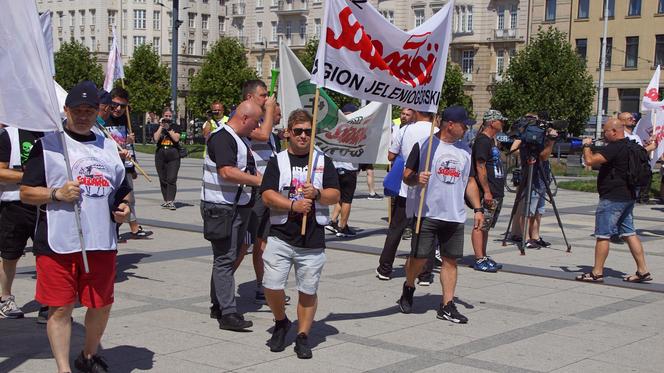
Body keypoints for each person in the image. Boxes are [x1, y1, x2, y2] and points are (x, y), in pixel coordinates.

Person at [20, 81, 131, 373]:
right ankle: (62, 368)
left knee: (101, 304)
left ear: (98, 112)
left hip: (100, 240)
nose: (83, 115)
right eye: (77, 110)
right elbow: (26, 192)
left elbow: (120, 190)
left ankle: (88, 355)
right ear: (66, 110)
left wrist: (124, 209)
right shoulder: (48, 146)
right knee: (60, 307)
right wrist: (55, 194)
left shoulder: (109, 147)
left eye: (89, 110)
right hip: (58, 240)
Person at [260, 109, 340, 358]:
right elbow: (267, 194)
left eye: (308, 131)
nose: (303, 136)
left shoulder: (322, 161)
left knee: (307, 289)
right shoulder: (278, 160)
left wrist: (317, 194)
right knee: (271, 284)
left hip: (312, 237)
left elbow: (335, 195)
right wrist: (292, 205)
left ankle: (303, 335)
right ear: (289, 133)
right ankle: (281, 321)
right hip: (281, 233)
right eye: (298, 131)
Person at [397, 106, 483, 324]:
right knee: (419, 258)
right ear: (450, 125)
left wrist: (478, 208)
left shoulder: (465, 150)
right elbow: (406, 175)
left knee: (450, 260)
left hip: (454, 215)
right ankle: (409, 285)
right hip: (427, 213)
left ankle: (447, 304)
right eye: (464, 125)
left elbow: (469, 181)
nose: (467, 129)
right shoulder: (425, 144)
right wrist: (417, 179)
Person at [202, 100, 262, 331]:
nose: (256, 128)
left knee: (227, 257)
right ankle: (227, 313)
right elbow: (227, 172)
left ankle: (218, 304)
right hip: (221, 208)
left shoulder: (239, 139)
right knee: (225, 259)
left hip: (237, 205)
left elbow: (245, 168)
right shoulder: (222, 137)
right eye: (255, 122)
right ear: (245, 118)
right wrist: (259, 181)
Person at [577, 118, 652, 283]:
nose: (604, 134)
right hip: (629, 196)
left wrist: (586, 146)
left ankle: (597, 272)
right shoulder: (633, 145)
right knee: (629, 232)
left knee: (603, 235)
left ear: (614, 131)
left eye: (605, 131)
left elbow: (589, 161)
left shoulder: (615, 147)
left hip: (612, 198)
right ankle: (642, 270)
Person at [376, 109, 436, 281]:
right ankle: (424, 273)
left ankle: (385, 268)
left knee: (396, 229)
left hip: (406, 186)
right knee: (426, 232)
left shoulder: (406, 129)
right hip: (428, 189)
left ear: (417, 112)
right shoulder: (436, 132)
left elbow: (391, 154)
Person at [233, 80, 279, 305]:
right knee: (244, 243)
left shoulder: (263, 122)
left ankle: (262, 285)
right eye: (263, 95)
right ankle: (223, 284)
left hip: (264, 190)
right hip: (250, 191)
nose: (267, 99)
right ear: (250, 98)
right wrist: (269, 111)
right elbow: (261, 135)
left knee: (262, 241)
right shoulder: (243, 119)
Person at [0, 125, 43, 319]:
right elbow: (1, 171)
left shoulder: (52, 133)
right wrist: (30, 176)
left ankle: (49, 300)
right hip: (15, 203)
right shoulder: (9, 135)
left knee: (47, 254)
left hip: (45, 203)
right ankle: (5, 298)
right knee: (10, 254)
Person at [106, 87, 152, 238]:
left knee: (127, 199)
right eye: (115, 104)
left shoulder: (126, 120)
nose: (118, 109)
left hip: (124, 166)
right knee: (110, 200)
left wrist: (132, 166)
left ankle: (129, 228)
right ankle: (116, 229)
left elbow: (128, 147)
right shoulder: (103, 120)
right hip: (107, 168)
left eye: (123, 106)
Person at [470, 110, 507, 272]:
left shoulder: (491, 141)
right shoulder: (483, 141)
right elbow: (480, 166)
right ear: (492, 122)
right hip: (489, 191)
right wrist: (486, 191)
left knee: (486, 225)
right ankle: (479, 258)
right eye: (501, 121)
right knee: (480, 225)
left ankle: (483, 255)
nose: (503, 123)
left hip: (496, 190)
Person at [326, 103, 360, 238]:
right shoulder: (356, 129)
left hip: (335, 166)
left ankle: (333, 220)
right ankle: (342, 226)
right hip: (349, 168)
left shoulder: (336, 127)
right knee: (347, 199)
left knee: (339, 197)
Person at [153, 107, 181, 210]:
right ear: (162, 116)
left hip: (173, 154)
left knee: (171, 178)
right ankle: (166, 200)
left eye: (169, 116)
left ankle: (171, 201)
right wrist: (161, 126)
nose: (168, 118)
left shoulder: (176, 126)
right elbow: (156, 138)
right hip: (160, 154)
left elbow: (176, 139)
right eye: (166, 116)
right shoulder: (158, 126)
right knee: (163, 178)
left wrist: (168, 128)